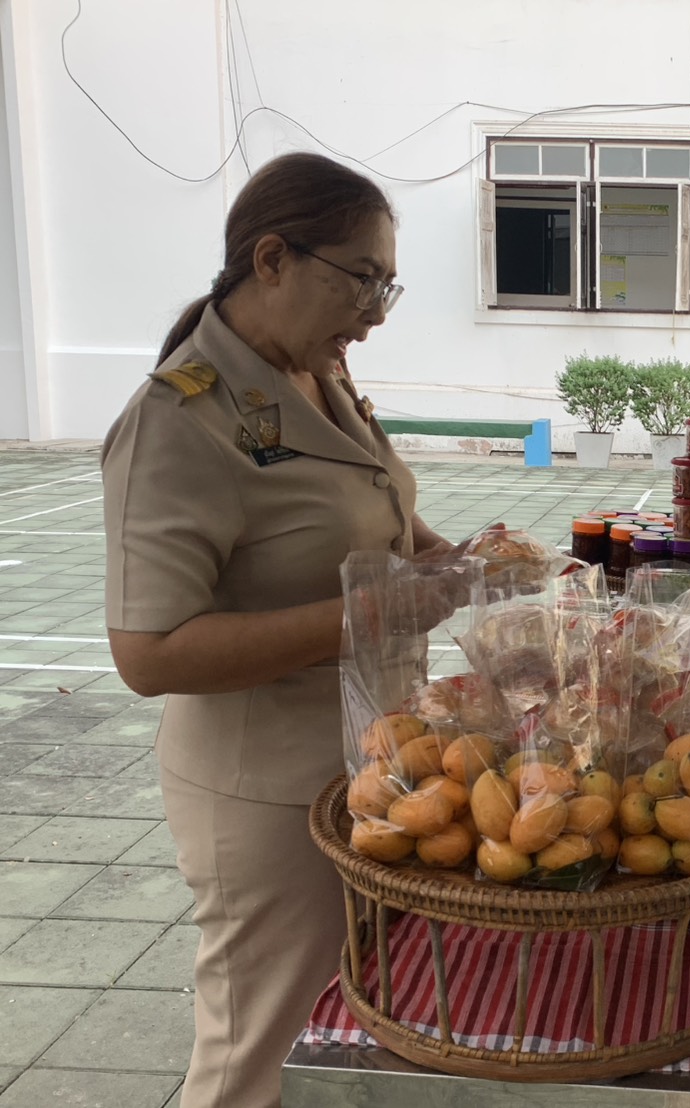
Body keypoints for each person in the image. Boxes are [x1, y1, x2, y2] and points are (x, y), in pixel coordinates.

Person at [102, 152, 457, 1108]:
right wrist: (371, 613)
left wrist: (461, 562)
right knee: (257, 1049)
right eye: (362, 279)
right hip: (263, 791)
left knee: (345, 1038)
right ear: (271, 259)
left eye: (388, 283)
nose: (377, 311)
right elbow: (148, 652)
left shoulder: (319, 376)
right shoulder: (178, 420)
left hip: (372, 763)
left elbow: (373, 515)